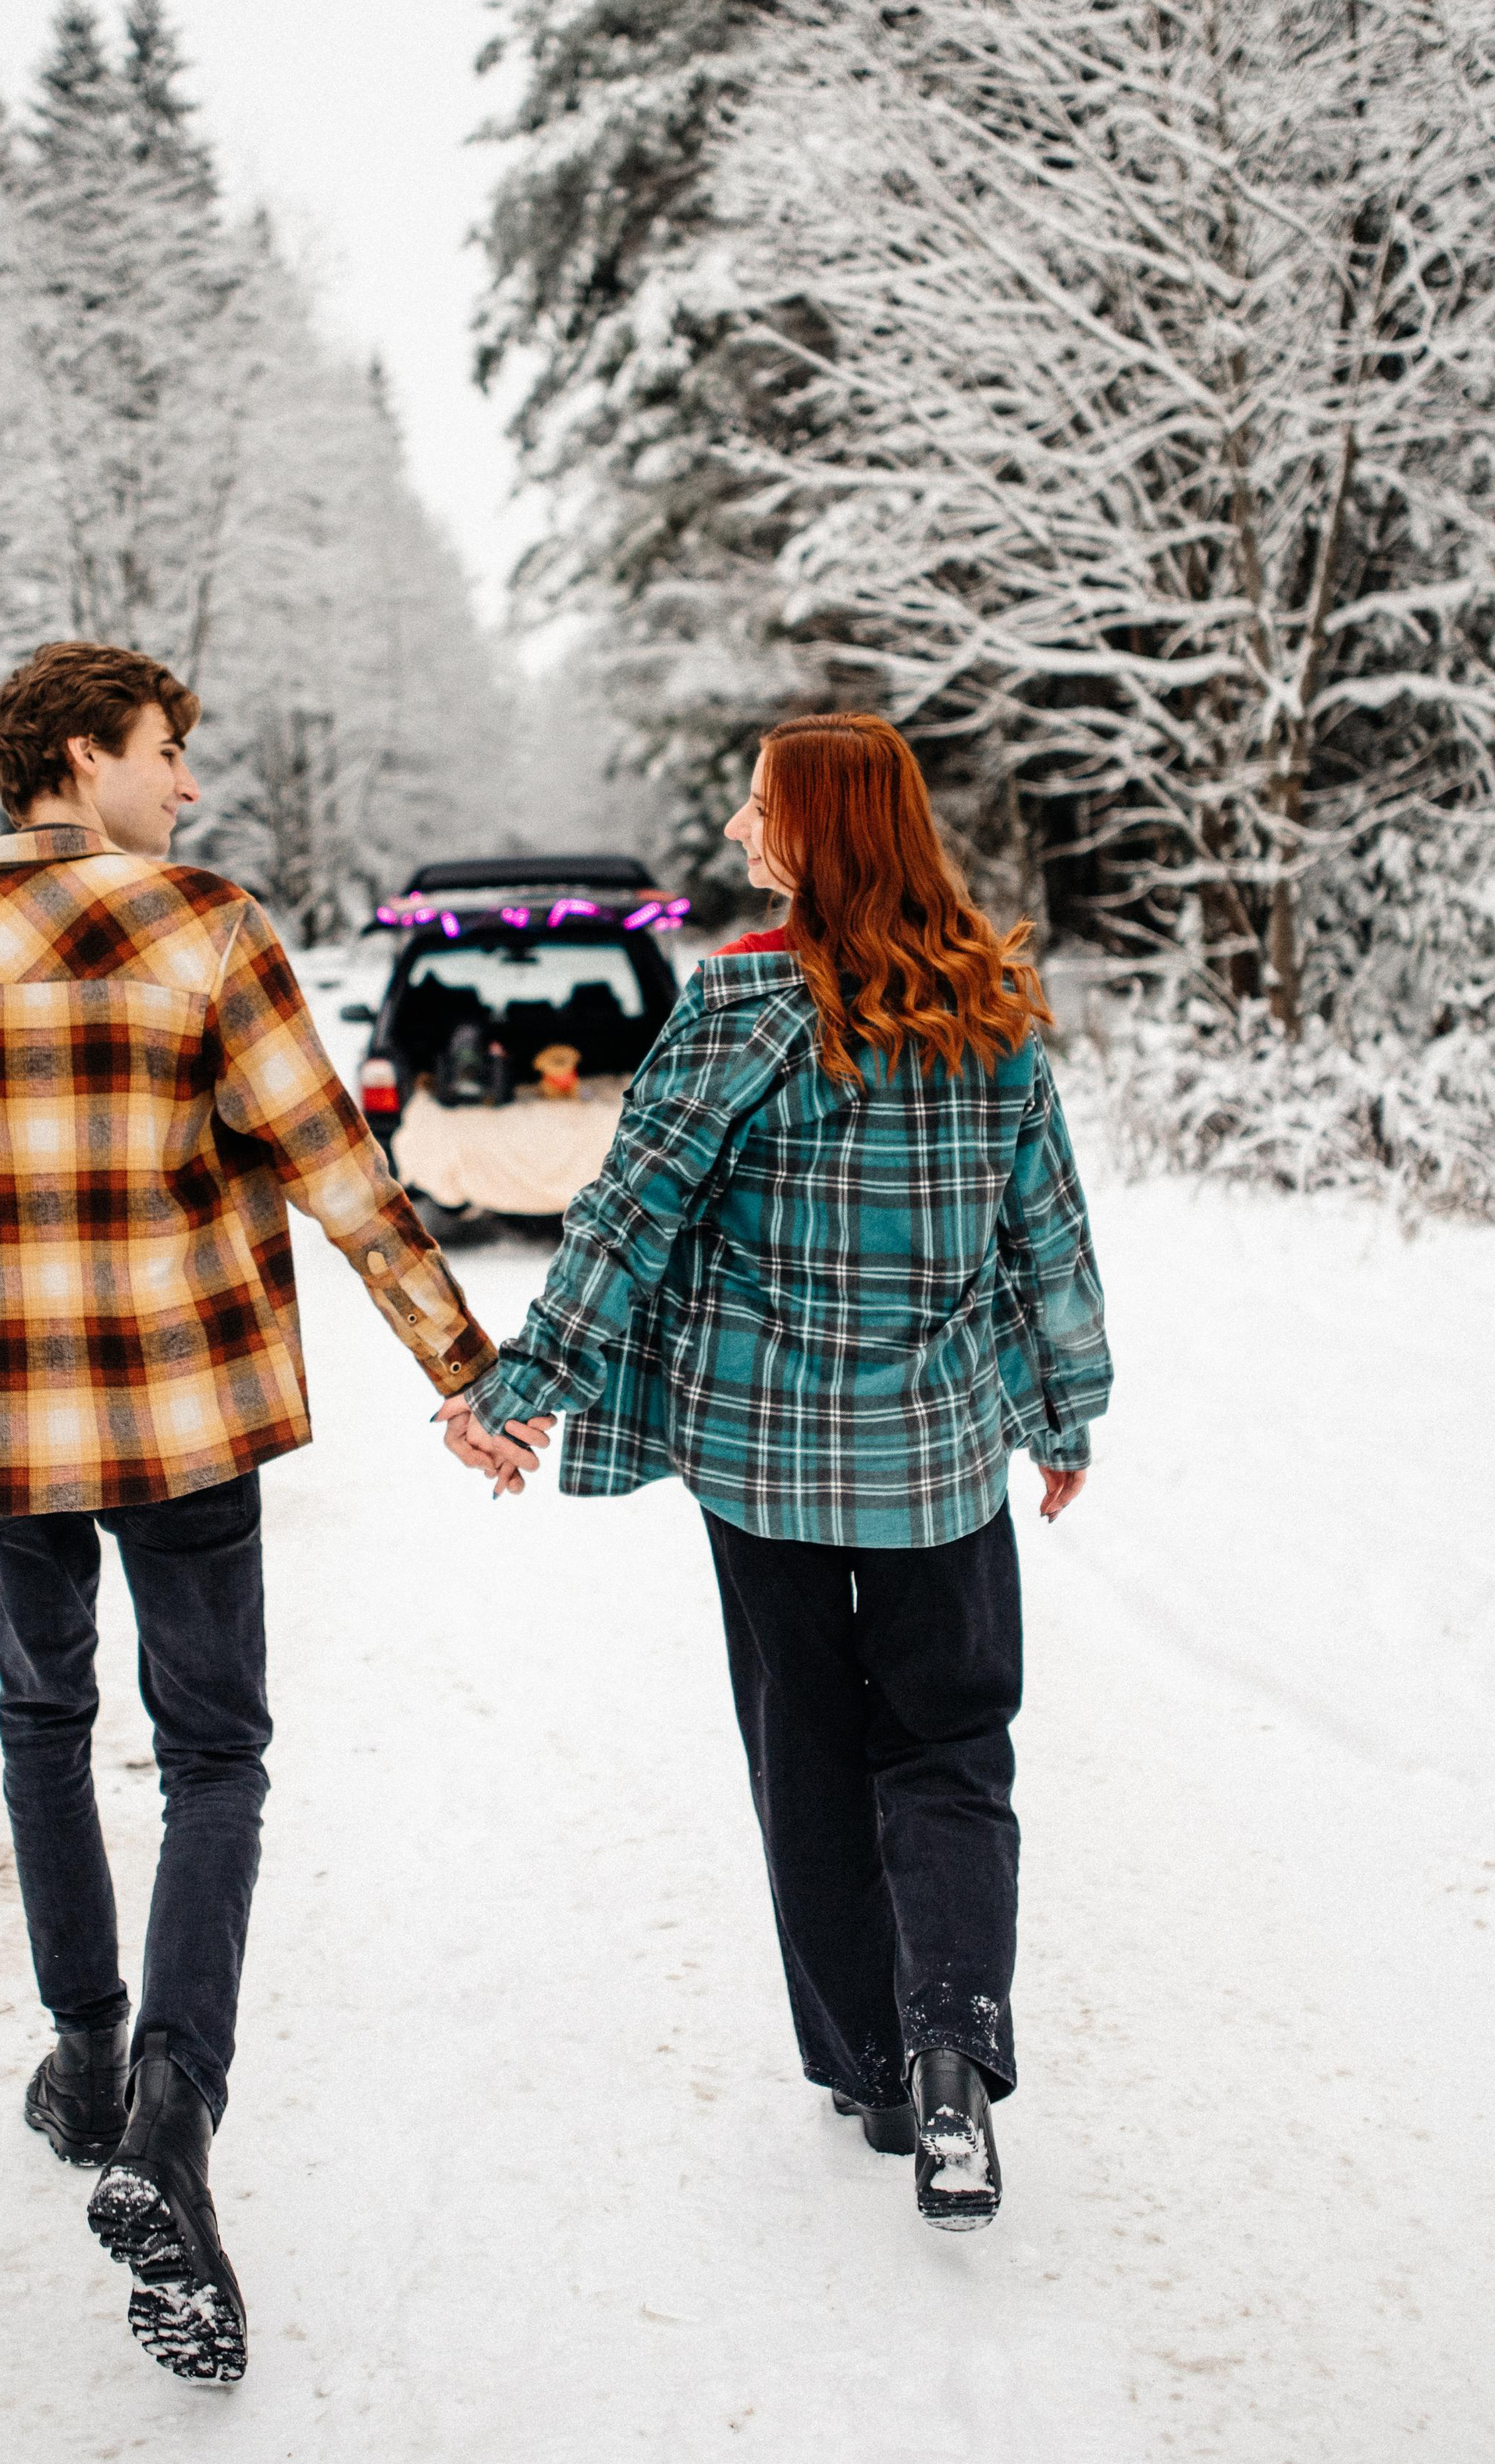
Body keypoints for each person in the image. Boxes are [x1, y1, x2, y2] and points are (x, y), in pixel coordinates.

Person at [0, 640, 511, 2382]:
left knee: (41, 1722)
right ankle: (171, 2125)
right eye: (163, 751)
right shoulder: (205, 924)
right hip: (179, 1415)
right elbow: (336, 1171)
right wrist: (457, 1359)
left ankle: (85, 2058)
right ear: (77, 756)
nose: (184, 784)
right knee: (211, 1761)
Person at [440, 713, 1111, 2228]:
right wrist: (1060, 1411)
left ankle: (872, 2072)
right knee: (948, 1748)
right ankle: (954, 2046)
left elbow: (625, 1215)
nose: (741, 834)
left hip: (764, 1468)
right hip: (938, 1463)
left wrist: (524, 1380)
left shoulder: (742, 1010)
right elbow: (1046, 1240)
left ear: (820, 829)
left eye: (758, 810)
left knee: (806, 1753)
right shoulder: (987, 1012)